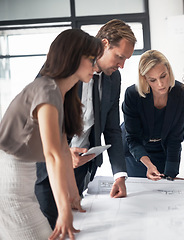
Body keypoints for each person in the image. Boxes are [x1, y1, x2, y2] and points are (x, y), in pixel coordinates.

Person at [0, 28, 103, 240]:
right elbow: (53, 155)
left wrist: (74, 195)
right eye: (91, 59)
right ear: (73, 56)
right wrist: (63, 209)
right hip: (10, 177)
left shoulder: (62, 93)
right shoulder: (46, 90)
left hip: (23, 173)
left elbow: (64, 150)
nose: (96, 67)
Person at [35, 19, 136, 229]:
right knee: (49, 228)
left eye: (126, 59)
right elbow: (37, 119)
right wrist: (63, 151)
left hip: (81, 169)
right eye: (120, 57)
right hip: (47, 168)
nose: (122, 65)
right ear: (105, 44)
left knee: (75, 226)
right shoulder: (64, 66)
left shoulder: (113, 78)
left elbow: (111, 129)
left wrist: (119, 175)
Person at [122, 50, 184, 180]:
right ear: (144, 79)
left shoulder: (183, 94)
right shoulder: (133, 94)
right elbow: (133, 138)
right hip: (136, 151)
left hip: (163, 148)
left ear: (169, 71)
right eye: (152, 80)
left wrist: (171, 173)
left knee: (165, 184)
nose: (160, 84)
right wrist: (148, 165)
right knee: (141, 191)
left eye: (163, 76)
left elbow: (175, 137)